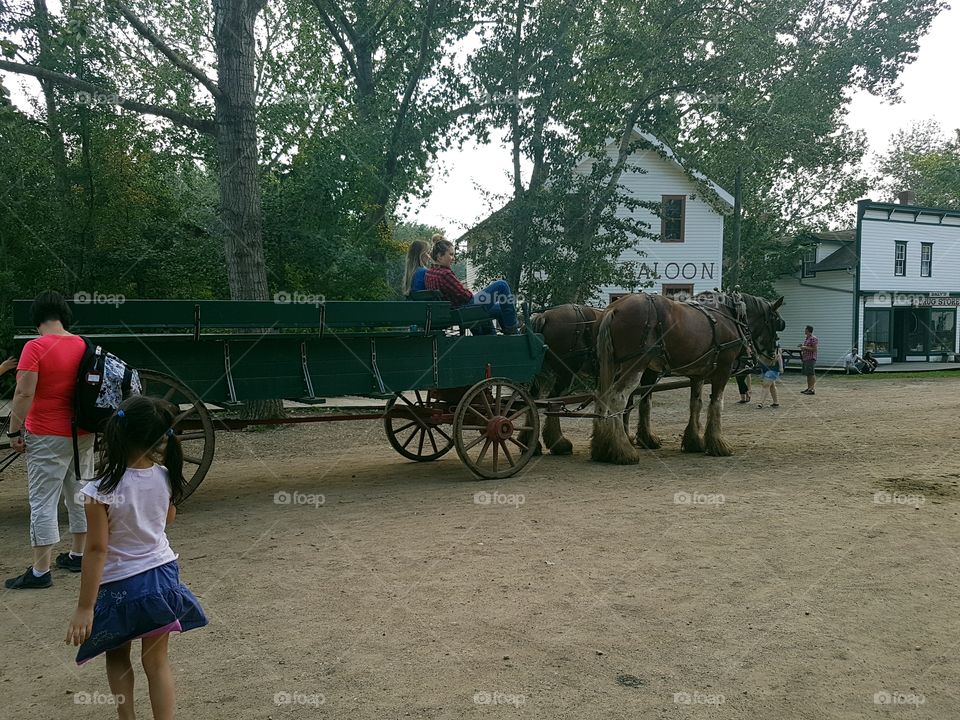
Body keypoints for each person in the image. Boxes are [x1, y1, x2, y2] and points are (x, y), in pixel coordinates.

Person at [66, 395, 207, 718]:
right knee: (156, 664)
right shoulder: (165, 475)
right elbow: (167, 519)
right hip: (161, 577)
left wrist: (84, 607)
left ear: (117, 431)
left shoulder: (99, 489)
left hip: (120, 585)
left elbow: (97, 549)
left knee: (117, 658)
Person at [5, 291, 95, 589]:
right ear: (63, 315)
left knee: (43, 499)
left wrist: (15, 431)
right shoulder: (84, 345)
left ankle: (41, 571)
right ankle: (78, 555)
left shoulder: (36, 347)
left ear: (36, 318)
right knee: (78, 493)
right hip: (82, 432)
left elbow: (24, 393)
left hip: (46, 433)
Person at [425, 238, 519, 335]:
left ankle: (491, 337)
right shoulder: (445, 273)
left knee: (499, 308)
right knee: (501, 285)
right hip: (464, 311)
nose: (453, 258)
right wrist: (468, 292)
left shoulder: (429, 273)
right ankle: (513, 331)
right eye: (451, 254)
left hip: (453, 311)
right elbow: (466, 296)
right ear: (439, 256)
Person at [757, 343, 784, 408]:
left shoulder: (775, 345)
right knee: (772, 385)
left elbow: (779, 356)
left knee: (765, 385)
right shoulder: (760, 345)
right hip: (765, 367)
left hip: (773, 368)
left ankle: (761, 403)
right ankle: (775, 402)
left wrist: (781, 367)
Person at [799, 325, 818, 395]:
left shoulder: (813, 338)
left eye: (805, 329)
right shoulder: (807, 338)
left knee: (811, 374)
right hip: (806, 358)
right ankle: (809, 388)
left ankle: (812, 389)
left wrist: (804, 347)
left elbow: (814, 349)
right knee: (808, 374)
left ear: (808, 330)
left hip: (811, 358)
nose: (804, 330)